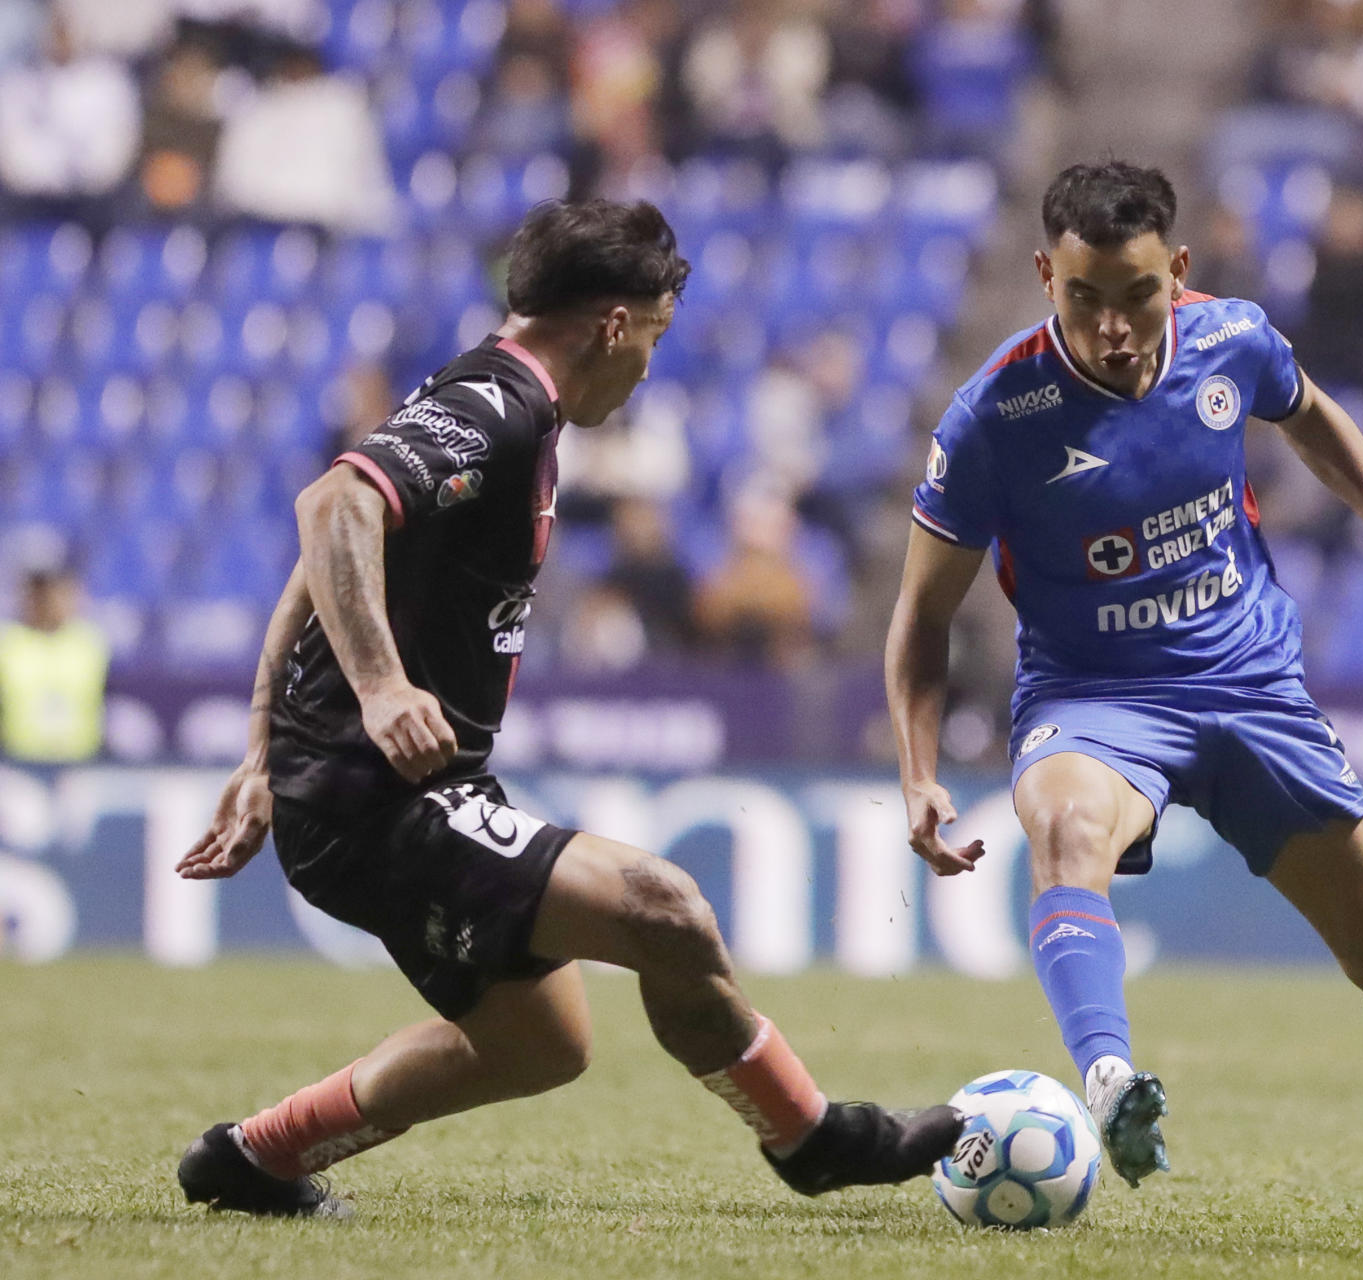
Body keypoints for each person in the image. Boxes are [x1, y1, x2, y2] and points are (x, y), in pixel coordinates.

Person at [172, 199, 960, 1219]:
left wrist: (256, 745)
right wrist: (375, 687)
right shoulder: (501, 405)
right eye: (657, 340)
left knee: (541, 1043)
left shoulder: (487, 398)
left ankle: (251, 1158)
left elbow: (331, 547)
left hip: (378, 780)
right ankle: (813, 1136)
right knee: (663, 906)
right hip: (373, 793)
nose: (648, 372)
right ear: (615, 325)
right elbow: (332, 507)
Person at [883, 161, 1363, 1228]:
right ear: (1042, 275)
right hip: (1095, 696)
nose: (1114, 326)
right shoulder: (994, 416)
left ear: (1181, 271)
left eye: (1138, 294)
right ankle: (1108, 1076)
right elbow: (923, 617)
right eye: (1084, 299)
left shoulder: (1232, 339)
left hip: (1250, 684)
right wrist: (921, 772)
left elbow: (1309, 413)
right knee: (1069, 829)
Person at [0, 559, 110, 763]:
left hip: (80, 760)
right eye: (44, 594)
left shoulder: (88, 642)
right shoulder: (9, 643)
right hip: (19, 760)